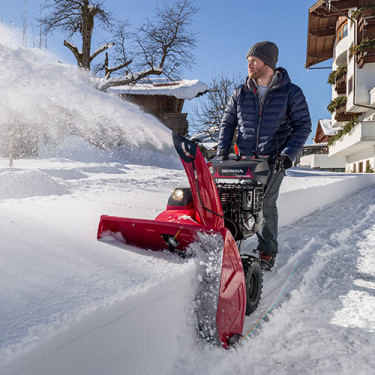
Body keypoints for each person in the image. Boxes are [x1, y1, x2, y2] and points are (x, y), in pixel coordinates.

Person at [217, 41, 312, 270]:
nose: (249, 65)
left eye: (254, 60)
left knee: (265, 204)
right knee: (231, 203)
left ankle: (267, 250)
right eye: (248, 60)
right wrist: (222, 151)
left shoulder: (291, 92)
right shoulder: (240, 92)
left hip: (273, 160)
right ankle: (229, 245)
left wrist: (289, 154)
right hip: (244, 161)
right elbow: (228, 124)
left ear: (267, 63)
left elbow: (303, 126)